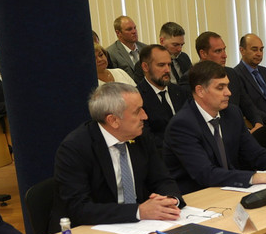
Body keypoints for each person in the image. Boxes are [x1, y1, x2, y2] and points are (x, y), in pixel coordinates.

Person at [55, 83, 183, 226]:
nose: (145, 116)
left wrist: (169, 200)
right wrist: (138, 211)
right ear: (113, 120)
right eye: (137, 111)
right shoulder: (75, 148)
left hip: (145, 225)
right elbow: (79, 208)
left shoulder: (141, 136)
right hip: (100, 228)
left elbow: (163, 180)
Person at [164, 61, 266, 194]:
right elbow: (205, 173)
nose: (228, 92)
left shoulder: (232, 113)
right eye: (220, 88)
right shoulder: (182, 125)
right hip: (199, 195)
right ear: (200, 91)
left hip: (230, 188)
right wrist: (256, 177)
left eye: (227, 86)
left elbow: (255, 154)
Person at [194, 31, 261, 125]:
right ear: (203, 54)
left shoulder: (231, 73)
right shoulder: (192, 79)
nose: (225, 55)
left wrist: (258, 122)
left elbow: (247, 104)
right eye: (218, 51)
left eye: (224, 50)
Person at [136, 44, 187, 151]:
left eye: (169, 65)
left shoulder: (179, 91)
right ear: (145, 67)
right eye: (161, 65)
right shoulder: (137, 97)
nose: (167, 70)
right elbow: (146, 137)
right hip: (159, 154)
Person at [235, 33, 266, 126]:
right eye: (254, 49)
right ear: (242, 50)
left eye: (261, 49)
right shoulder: (236, 75)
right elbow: (249, 108)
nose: (259, 54)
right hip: (264, 123)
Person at [159, 21, 192, 85]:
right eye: (175, 45)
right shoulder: (152, 63)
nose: (179, 49)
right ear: (162, 41)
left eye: (181, 45)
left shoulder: (184, 57)